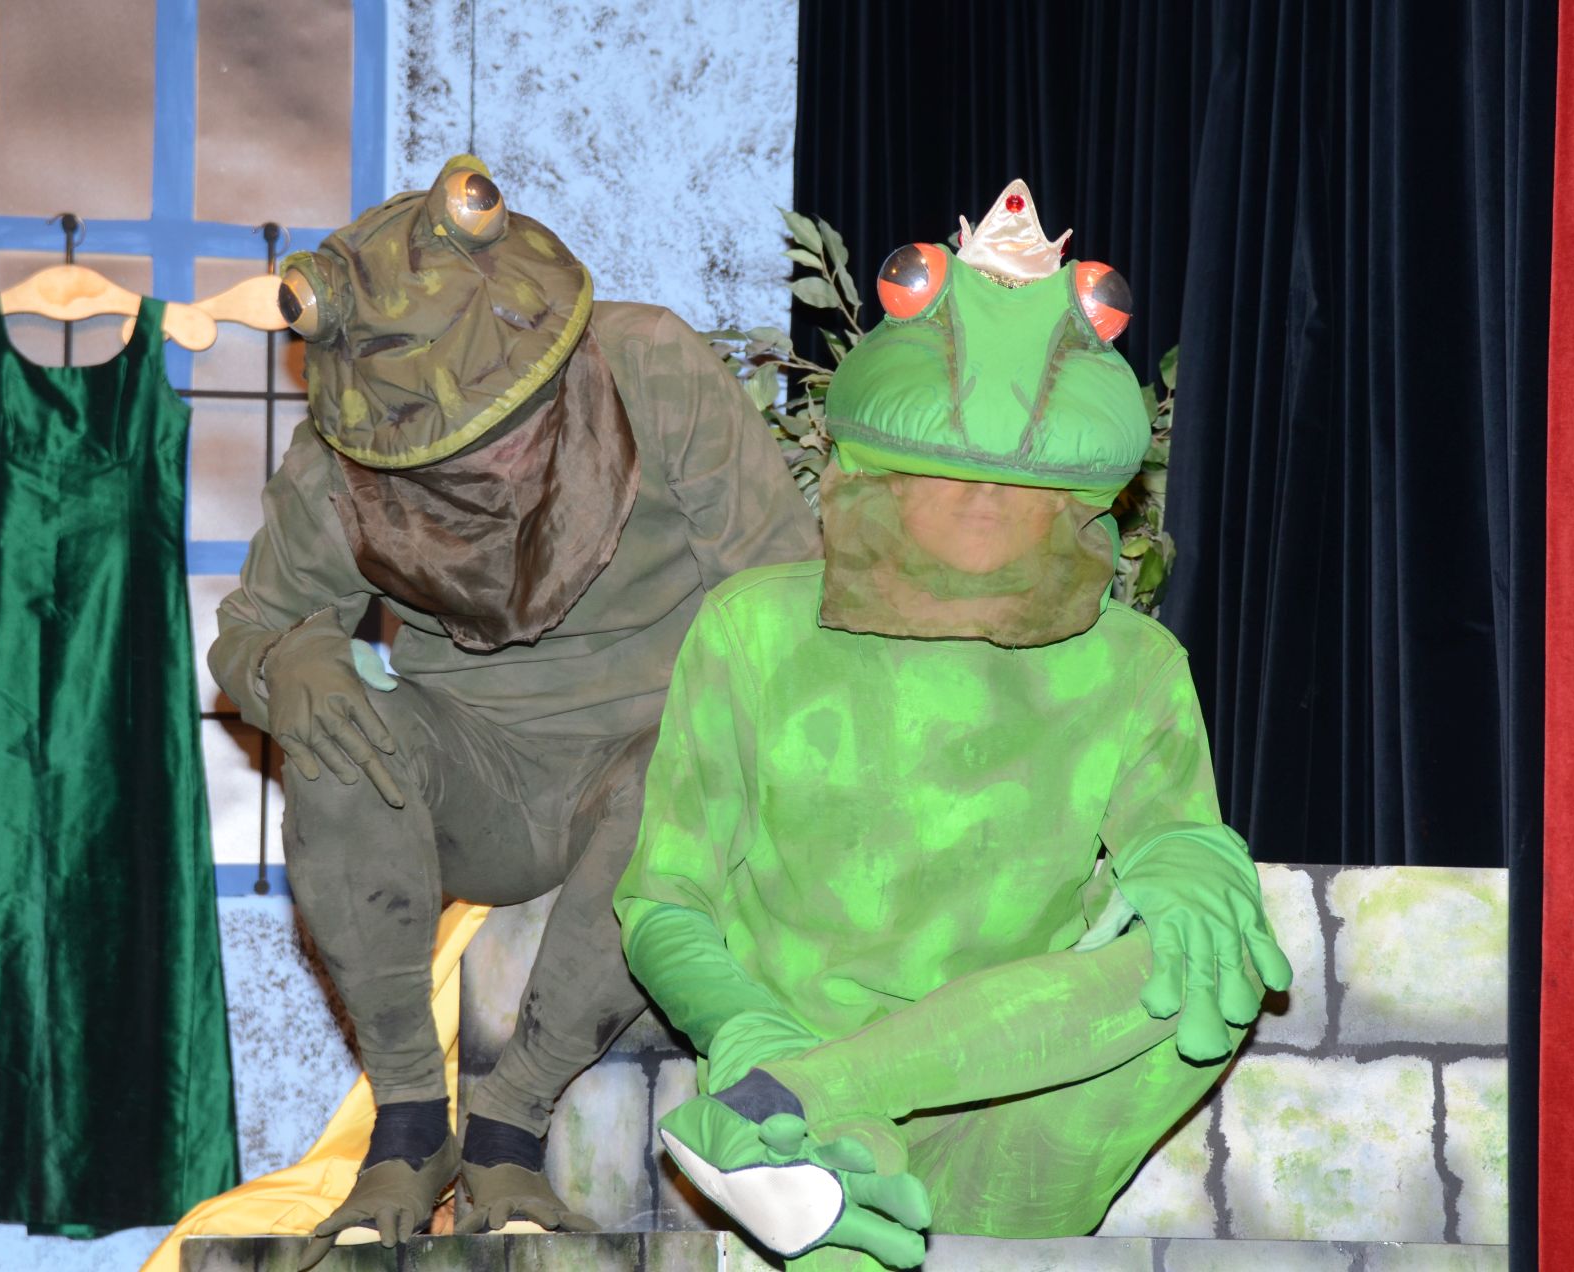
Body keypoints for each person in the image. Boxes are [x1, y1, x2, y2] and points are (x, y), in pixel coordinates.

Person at [614, 182, 1293, 1270]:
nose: (981, 499)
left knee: (1203, 962)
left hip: (1022, 1083)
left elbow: (1173, 837)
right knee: (846, 1222)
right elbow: (664, 899)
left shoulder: (1131, 662)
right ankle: (797, 1098)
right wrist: (745, 1023)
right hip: (819, 1093)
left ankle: (779, 1097)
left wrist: (1192, 862)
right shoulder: (754, 631)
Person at [207, 155, 819, 1263]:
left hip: (657, 758)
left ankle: (511, 1121)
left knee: (681, 769)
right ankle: (408, 1121)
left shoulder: (649, 366)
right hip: (479, 780)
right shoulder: (343, 460)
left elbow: (785, 600)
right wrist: (290, 664)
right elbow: (252, 630)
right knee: (336, 739)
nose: (489, 462)